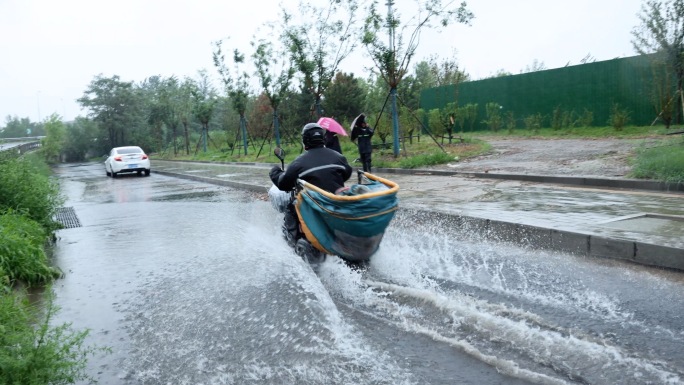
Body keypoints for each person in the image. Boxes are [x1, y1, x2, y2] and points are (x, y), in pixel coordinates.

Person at [269, 122, 353, 246]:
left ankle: (291, 243)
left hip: (313, 207)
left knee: (291, 207)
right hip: (336, 203)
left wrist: (275, 172)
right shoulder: (339, 157)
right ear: (323, 139)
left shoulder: (299, 163)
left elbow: (284, 184)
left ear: (305, 140)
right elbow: (347, 174)